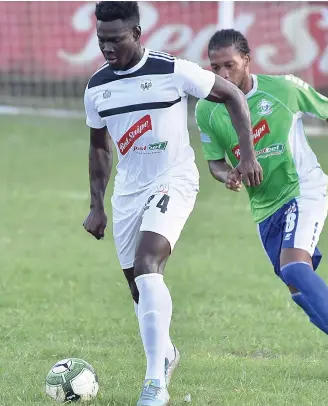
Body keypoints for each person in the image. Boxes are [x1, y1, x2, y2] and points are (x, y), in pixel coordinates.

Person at [82, 3, 262, 405]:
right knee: (137, 287)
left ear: (137, 32)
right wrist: (97, 205)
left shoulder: (172, 70)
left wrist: (247, 155)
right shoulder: (96, 87)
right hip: (128, 190)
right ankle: (166, 353)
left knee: (148, 265)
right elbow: (99, 150)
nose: (107, 47)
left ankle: (154, 382)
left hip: (174, 180)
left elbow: (232, 94)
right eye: (101, 40)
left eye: (116, 39)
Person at [195, 29, 328, 381]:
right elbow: (214, 162)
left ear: (247, 61)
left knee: (295, 269)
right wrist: (228, 175)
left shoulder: (283, 89)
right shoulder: (207, 109)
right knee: (296, 287)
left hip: (303, 190)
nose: (221, 76)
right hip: (264, 208)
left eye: (229, 66)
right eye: (215, 68)